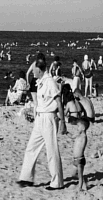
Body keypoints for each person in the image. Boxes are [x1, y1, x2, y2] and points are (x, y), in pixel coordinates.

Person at [17, 59, 67, 190]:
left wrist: (63, 122)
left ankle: (57, 182)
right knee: (31, 148)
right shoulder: (40, 81)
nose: (32, 72)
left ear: (39, 70)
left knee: (52, 150)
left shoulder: (50, 82)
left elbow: (59, 101)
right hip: (39, 118)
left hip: (49, 118)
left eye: (33, 70)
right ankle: (26, 178)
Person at [72, 118, 90, 192]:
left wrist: (80, 133)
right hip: (75, 159)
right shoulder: (78, 135)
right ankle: (85, 179)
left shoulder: (84, 137)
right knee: (73, 175)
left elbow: (82, 136)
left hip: (80, 159)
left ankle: (80, 188)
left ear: (83, 128)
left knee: (80, 175)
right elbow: (72, 137)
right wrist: (66, 132)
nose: (77, 128)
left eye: (78, 126)